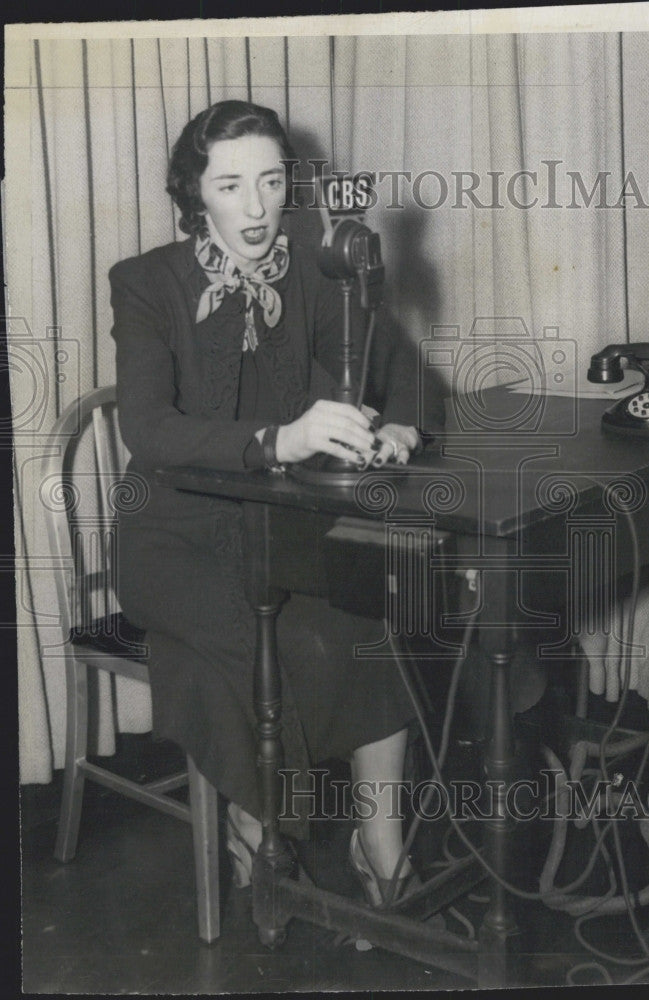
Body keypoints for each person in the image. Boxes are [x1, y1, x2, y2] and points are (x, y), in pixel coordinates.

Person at [110, 99, 437, 906]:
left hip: (280, 529)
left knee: (367, 621)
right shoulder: (147, 284)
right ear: (195, 194)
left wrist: (401, 426)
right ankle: (263, 836)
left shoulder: (309, 268)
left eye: (271, 180)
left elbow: (403, 369)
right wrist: (277, 441)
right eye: (230, 186)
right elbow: (148, 429)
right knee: (247, 648)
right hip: (172, 539)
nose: (256, 208)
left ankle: (379, 846)